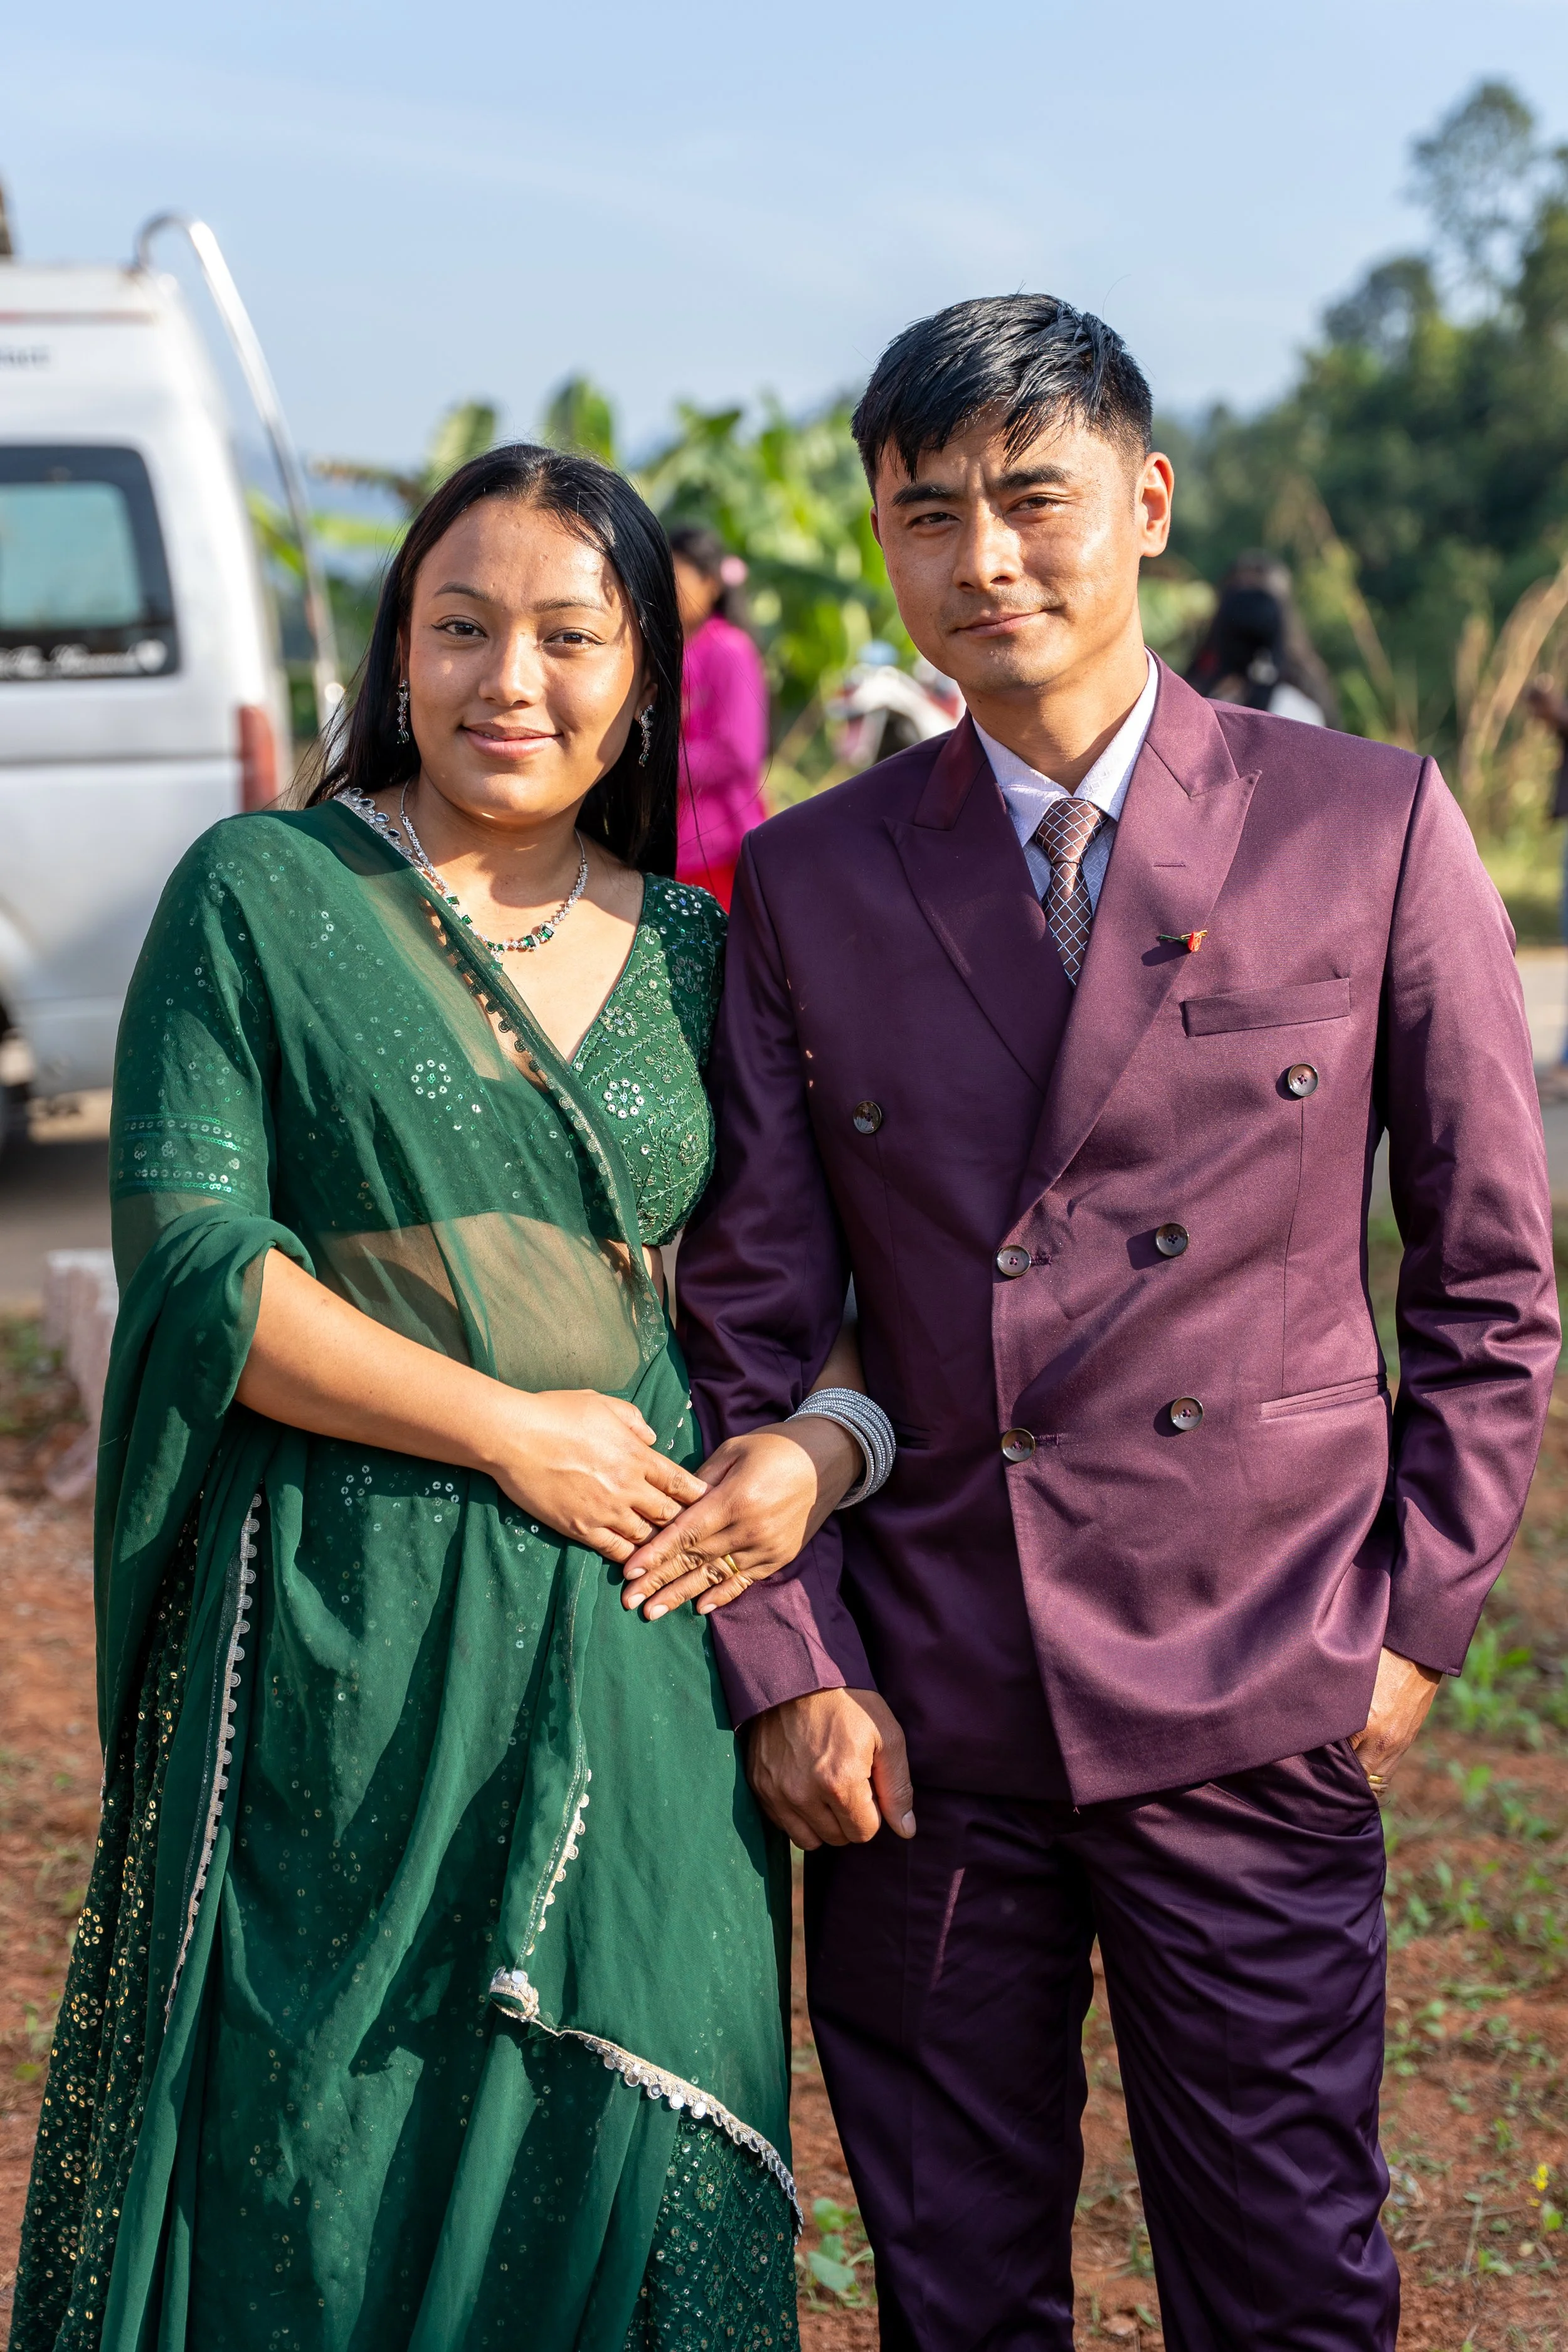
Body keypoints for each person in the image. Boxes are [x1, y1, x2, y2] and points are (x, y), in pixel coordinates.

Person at [620, 297, 1559, 2347]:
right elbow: (755, 1316)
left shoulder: (1367, 821)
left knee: (1292, 2279)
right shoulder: (813, 878)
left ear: (1143, 503)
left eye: (1035, 499)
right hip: (926, 1714)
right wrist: (788, 1663)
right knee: (955, 2294)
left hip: (1261, 1678)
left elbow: (1492, 1282)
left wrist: (1412, 1633)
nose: (988, 559)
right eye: (929, 514)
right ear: (883, 541)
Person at [11, 443, 886, 2352]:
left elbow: (802, 1296)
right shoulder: (263, 888)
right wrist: (508, 1427)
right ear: (395, 651)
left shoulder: (697, 949)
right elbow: (202, 1265)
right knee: (326, 2133)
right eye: (460, 625)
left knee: (636, 2125)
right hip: (347, 1623)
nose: (510, 678)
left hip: (641, 1628)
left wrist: (816, 1455)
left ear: (645, 674)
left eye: (568, 636)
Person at [667, 524, 768, 909]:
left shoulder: (730, 648)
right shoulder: (672, 651)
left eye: (675, 577)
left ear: (711, 583)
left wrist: (656, 767)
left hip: (720, 844)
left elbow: (739, 751)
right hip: (679, 845)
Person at [1186, 551, 1339, 726]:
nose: (1249, 613)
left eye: (1258, 603)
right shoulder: (1200, 687)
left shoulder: (1301, 699)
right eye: (1240, 603)